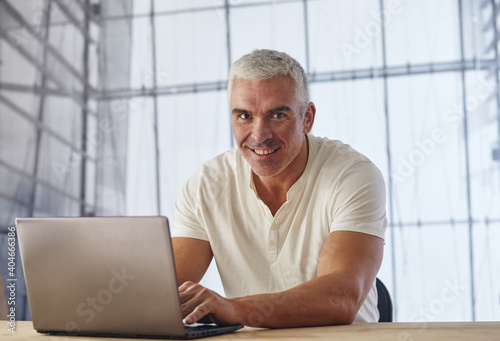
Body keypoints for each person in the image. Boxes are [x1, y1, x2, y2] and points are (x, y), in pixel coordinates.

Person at [171, 49, 387, 328]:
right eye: (244, 116)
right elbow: (163, 293)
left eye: (278, 115)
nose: (260, 135)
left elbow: (341, 297)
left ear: (307, 117)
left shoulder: (352, 175)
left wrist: (232, 309)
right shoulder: (206, 185)